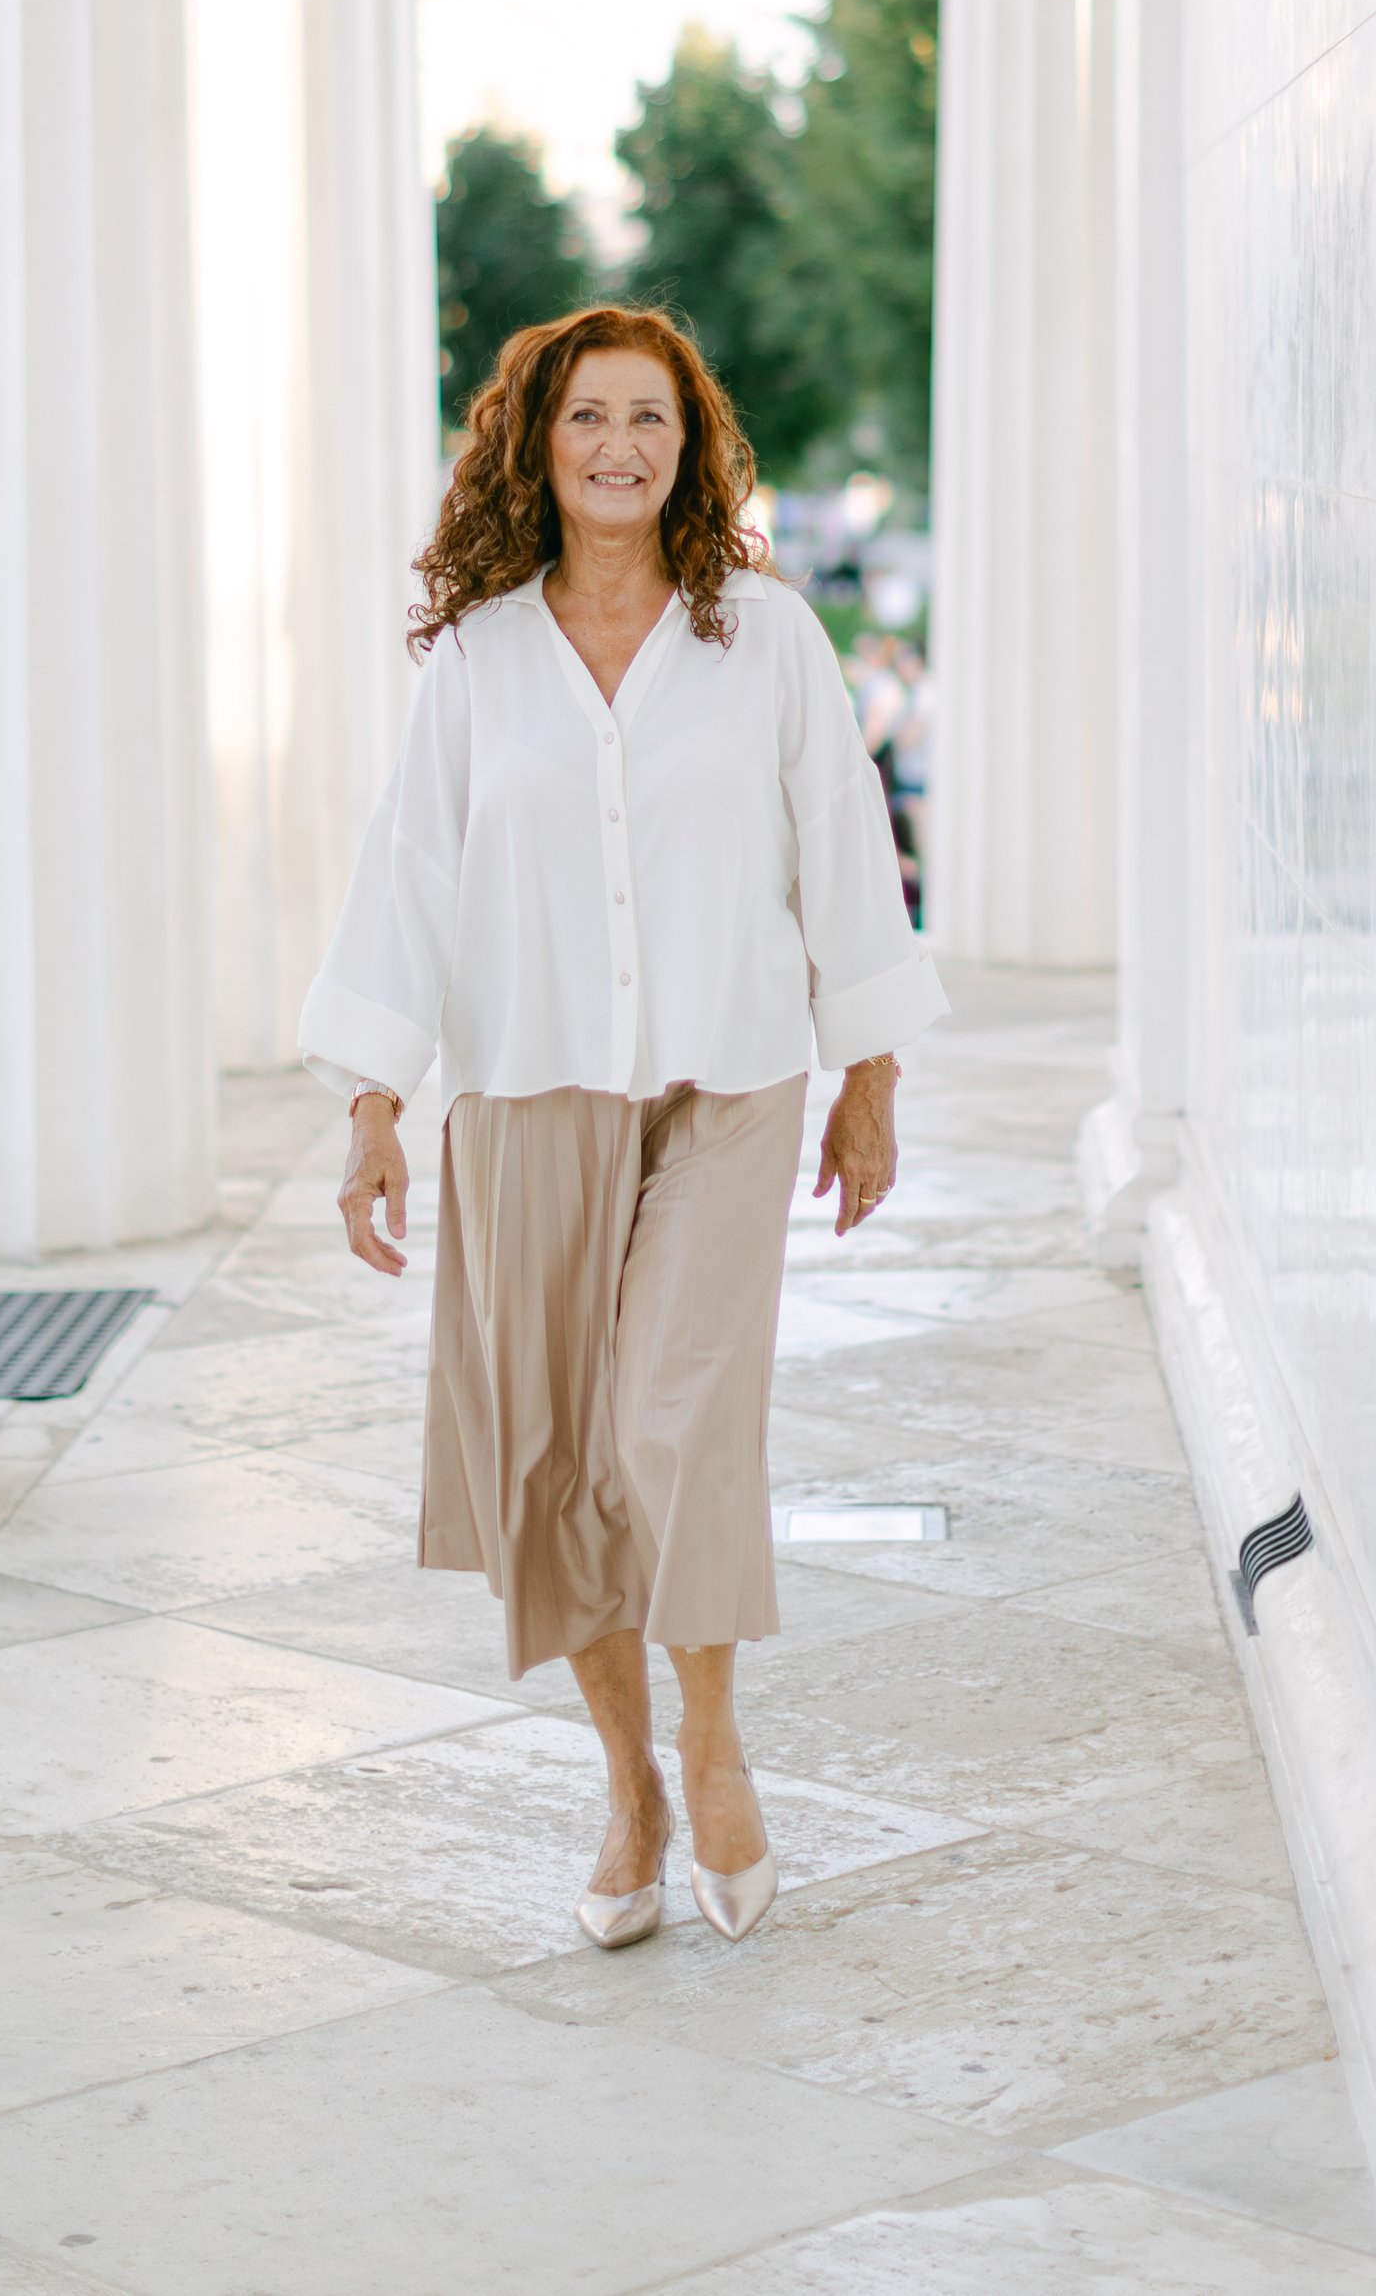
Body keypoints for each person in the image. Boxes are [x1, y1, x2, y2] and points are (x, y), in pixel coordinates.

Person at [298, 305, 946, 1951]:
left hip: (729, 1084)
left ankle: (716, 1748)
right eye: (588, 416)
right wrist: (375, 1107)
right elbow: (410, 880)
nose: (618, 447)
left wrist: (868, 1074)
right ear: (539, 438)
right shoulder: (478, 661)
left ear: (690, 440)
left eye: (648, 417)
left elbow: (845, 851)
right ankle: (627, 1781)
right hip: (529, 1090)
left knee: (676, 1422)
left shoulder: (769, 640)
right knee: (560, 1459)